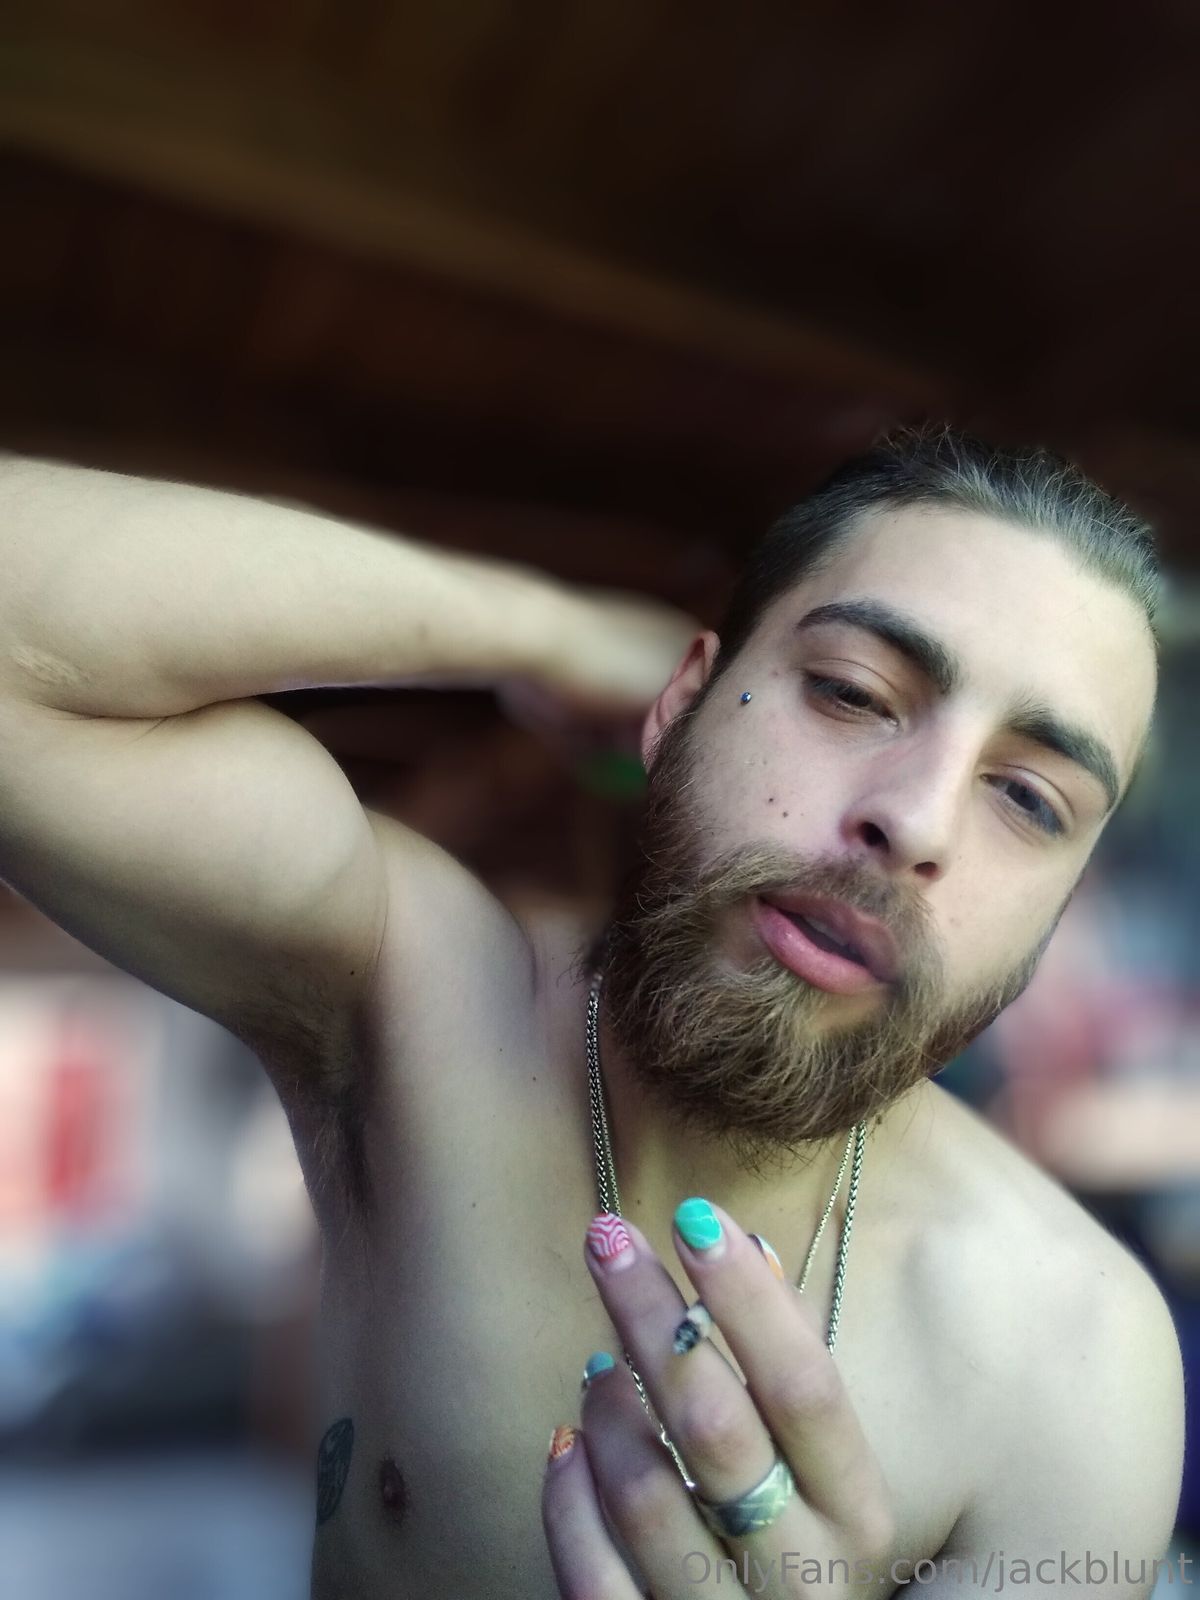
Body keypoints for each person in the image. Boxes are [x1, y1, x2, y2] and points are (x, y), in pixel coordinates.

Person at [0, 426, 1183, 1599]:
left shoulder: (1076, 1362)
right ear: (684, 705)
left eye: (1030, 800)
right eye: (849, 691)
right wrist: (544, 630)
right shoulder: (404, 986)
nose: (916, 820)